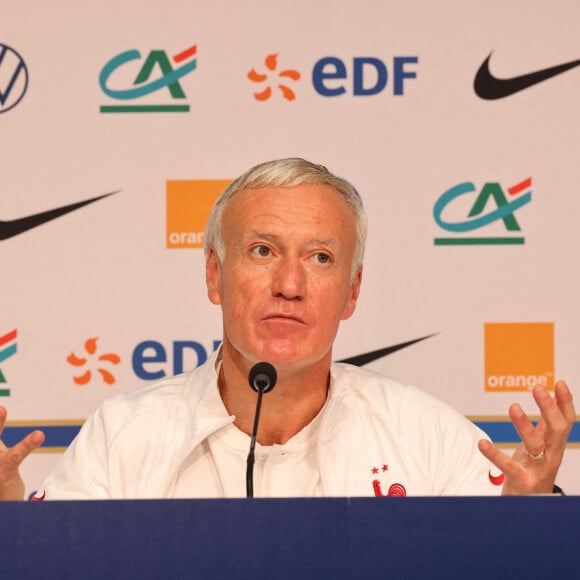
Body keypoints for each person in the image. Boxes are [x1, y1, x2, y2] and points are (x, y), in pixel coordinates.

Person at [0, 158, 575, 499]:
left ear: (351, 292)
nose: (290, 284)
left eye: (321, 258)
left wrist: (530, 520)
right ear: (214, 275)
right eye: (262, 250)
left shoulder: (426, 436)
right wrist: (9, 526)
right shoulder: (122, 435)